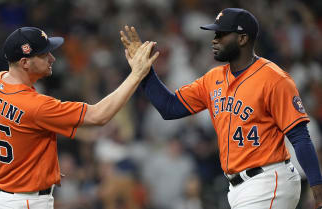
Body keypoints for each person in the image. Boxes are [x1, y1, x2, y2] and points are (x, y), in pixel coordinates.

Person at [120, 8, 322, 209]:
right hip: (238, 188)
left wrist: (317, 186)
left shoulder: (274, 79)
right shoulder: (213, 78)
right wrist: (144, 72)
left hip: (269, 180)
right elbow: (169, 107)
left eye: (221, 34)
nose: (214, 40)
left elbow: (300, 137)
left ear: (242, 39)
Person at [0, 26, 159, 209]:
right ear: (25, 63)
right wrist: (137, 74)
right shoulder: (36, 106)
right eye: (44, 55)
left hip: (2, 196)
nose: (52, 58)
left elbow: (22, 131)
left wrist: (42, 167)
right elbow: (98, 115)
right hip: (27, 201)